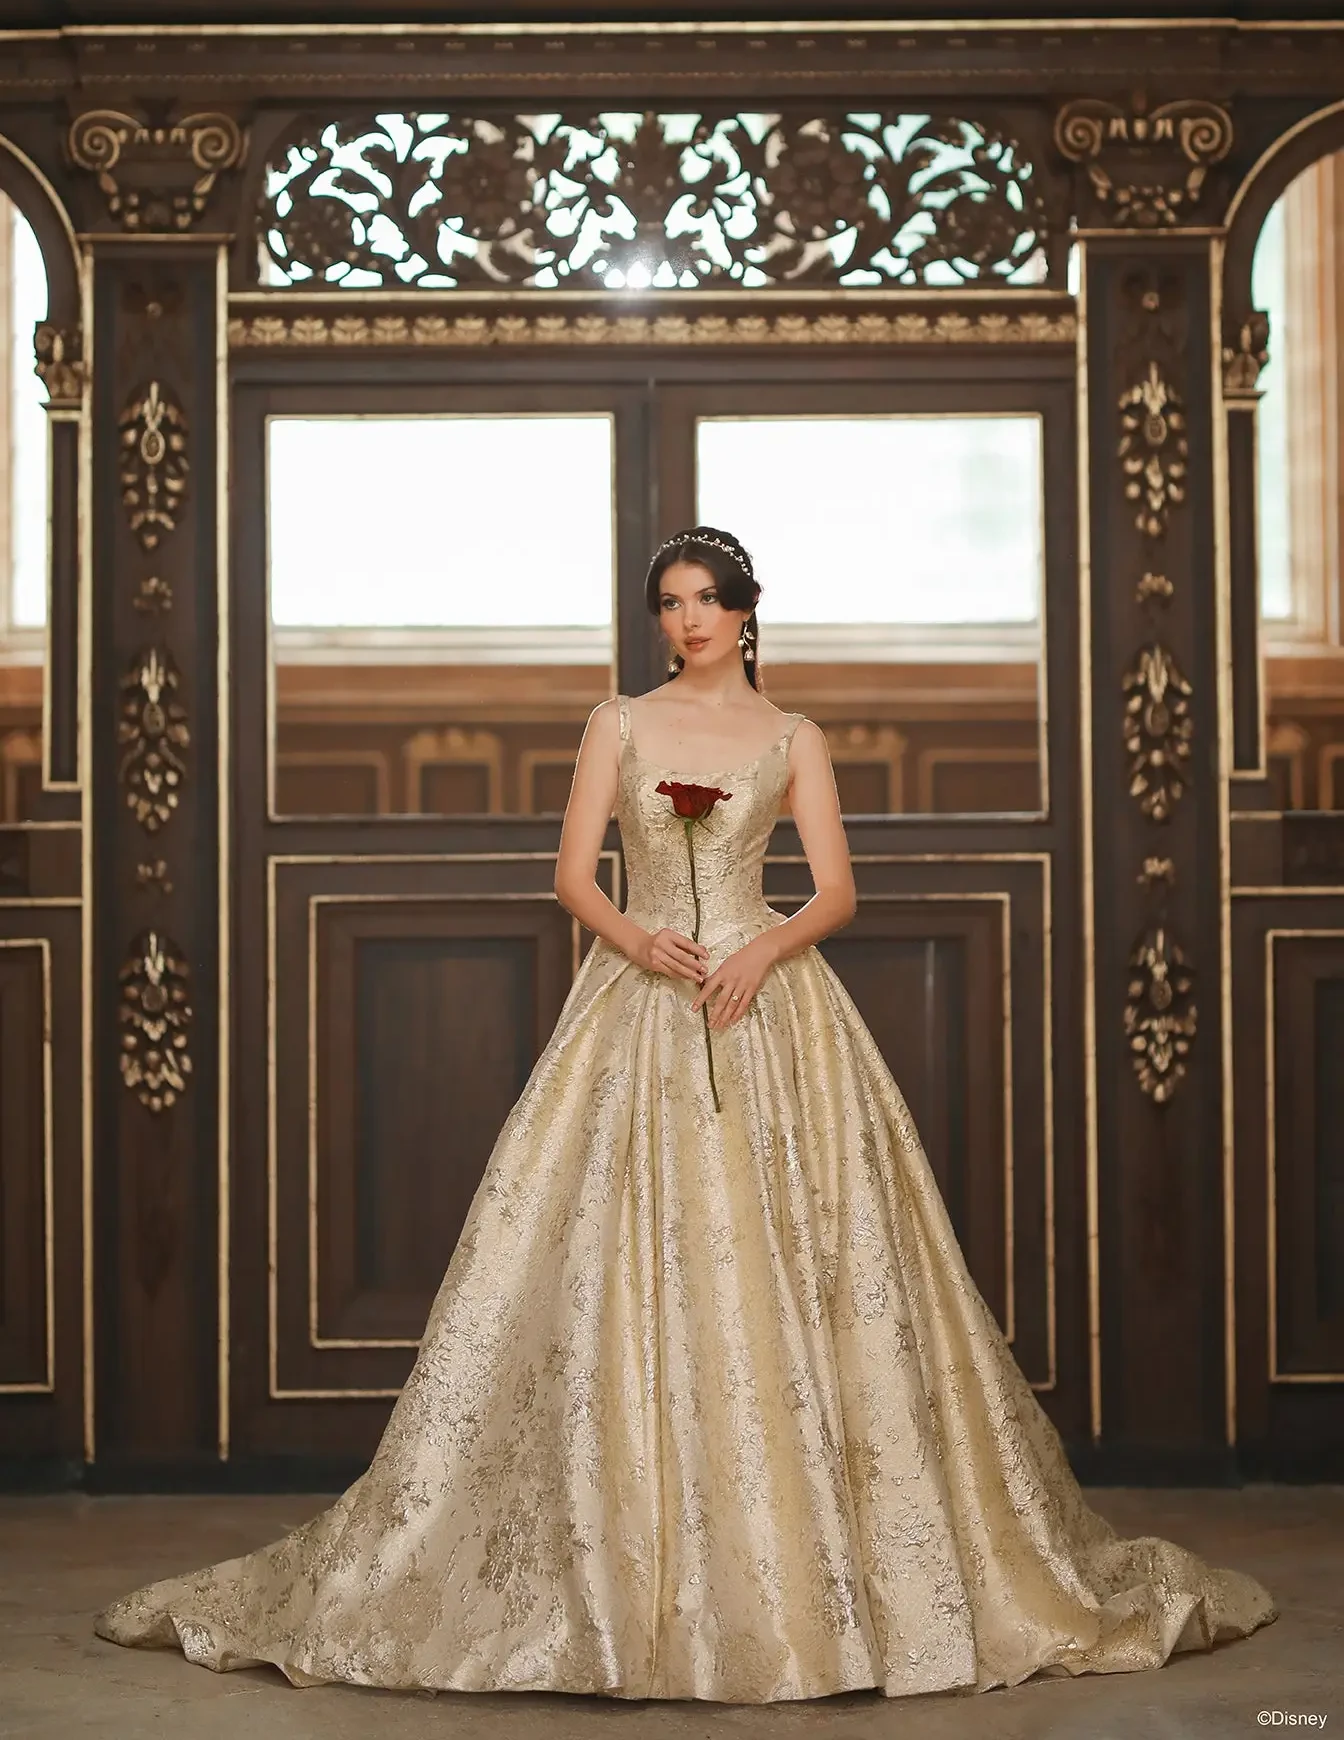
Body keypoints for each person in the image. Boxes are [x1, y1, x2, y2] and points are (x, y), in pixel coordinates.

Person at [95, 524, 1277, 1701]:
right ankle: (618, 1580)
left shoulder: (794, 737)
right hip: (641, 998)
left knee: (793, 1260)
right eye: (670, 601)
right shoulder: (616, 723)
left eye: (707, 599)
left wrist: (762, 949)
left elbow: (837, 891)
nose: (688, 619)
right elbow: (570, 876)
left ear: (747, 611)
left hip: (766, 1006)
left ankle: (799, 1578)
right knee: (609, 1264)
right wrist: (639, 938)